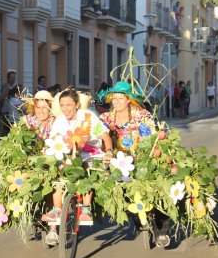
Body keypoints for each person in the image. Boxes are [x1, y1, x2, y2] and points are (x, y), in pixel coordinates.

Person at [98, 82, 170, 247]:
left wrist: (147, 154)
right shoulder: (106, 118)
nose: (116, 102)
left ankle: (162, 231)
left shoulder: (141, 116)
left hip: (142, 159)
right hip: (118, 163)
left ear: (128, 99)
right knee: (121, 193)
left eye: (120, 98)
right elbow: (97, 136)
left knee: (156, 191)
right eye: (114, 98)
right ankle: (137, 220)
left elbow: (151, 137)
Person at [41, 89, 113, 245]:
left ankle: (86, 208)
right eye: (62, 105)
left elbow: (104, 135)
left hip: (90, 155)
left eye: (69, 105)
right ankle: (57, 209)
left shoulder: (89, 118)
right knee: (55, 174)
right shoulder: (59, 121)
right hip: (67, 157)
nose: (65, 108)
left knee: (88, 172)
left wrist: (109, 151)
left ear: (77, 105)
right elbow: (53, 139)